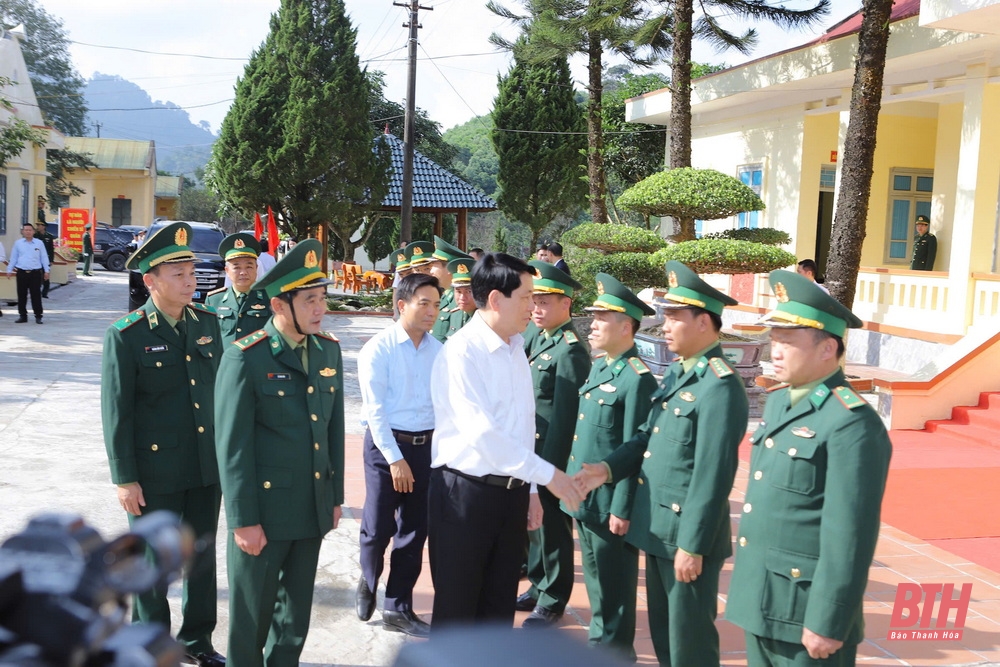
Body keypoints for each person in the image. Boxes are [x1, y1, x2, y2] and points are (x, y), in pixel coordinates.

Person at [576, 260, 748, 667]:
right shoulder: (678, 375)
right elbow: (644, 440)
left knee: (689, 644)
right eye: (665, 316)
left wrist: (693, 544)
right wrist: (607, 469)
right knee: (665, 637)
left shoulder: (720, 386)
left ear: (704, 322)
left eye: (674, 317)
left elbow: (712, 476)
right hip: (656, 527)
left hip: (685, 537)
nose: (664, 326)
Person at [726, 269, 892, 666]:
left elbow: (849, 535)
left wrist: (829, 618)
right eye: (774, 339)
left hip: (806, 610)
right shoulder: (783, 402)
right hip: (762, 595)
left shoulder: (851, 422)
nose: (774, 350)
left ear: (826, 349)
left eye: (787, 340)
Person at [427, 252, 586, 629]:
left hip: (511, 494)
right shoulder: (461, 353)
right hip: (466, 495)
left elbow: (522, 424)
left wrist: (530, 490)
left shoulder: (516, 346)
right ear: (497, 299)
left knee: (497, 609)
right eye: (527, 296)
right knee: (459, 612)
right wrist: (549, 476)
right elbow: (483, 434)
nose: (533, 306)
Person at [214, 239, 344, 667]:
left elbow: (333, 431)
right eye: (309, 300)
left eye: (322, 298)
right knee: (252, 617)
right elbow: (232, 447)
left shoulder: (328, 350)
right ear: (278, 305)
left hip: (310, 506)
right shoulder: (244, 357)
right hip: (264, 513)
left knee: (295, 618)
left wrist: (335, 496)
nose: (319, 308)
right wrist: (243, 519)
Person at [101, 222, 224, 667]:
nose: (190, 280)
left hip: (205, 468)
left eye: (192, 271)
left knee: (202, 561)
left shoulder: (210, 324)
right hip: (153, 475)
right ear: (150, 280)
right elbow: (117, 412)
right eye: (179, 273)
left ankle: (197, 641)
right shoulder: (127, 335)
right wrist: (124, 478)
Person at [562, 273, 657, 659]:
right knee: (598, 582)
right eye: (594, 316)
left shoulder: (637, 379)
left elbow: (636, 448)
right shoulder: (602, 367)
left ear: (626, 326)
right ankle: (599, 647)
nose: (593, 324)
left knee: (615, 587)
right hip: (586, 496)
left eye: (602, 318)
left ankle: (616, 652)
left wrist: (622, 506)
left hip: (609, 502)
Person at [356, 273, 443, 638]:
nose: (432, 312)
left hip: (426, 449)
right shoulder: (379, 348)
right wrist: (395, 459)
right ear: (402, 304)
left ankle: (397, 606)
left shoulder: (441, 350)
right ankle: (368, 578)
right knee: (378, 528)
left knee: (414, 530)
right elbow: (375, 411)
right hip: (385, 446)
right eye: (424, 303)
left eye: (437, 304)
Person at [516, 260, 592, 628]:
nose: (537, 309)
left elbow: (566, 417)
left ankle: (554, 597)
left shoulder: (571, 349)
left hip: (551, 453)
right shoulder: (538, 337)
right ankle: (537, 583)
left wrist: (553, 470)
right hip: (530, 448)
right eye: (535, 301)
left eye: (546, 302)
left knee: (553, 527)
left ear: (567, 304)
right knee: (534, 524)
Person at [206, 233, 272, 346]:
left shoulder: (271, 298)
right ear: (227, 270)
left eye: (249, 266)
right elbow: (208, 338)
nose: (243, 272)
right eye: (236, 267)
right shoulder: (214, 300)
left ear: (256, 268)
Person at [7, 221, 51, 324]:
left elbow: (44, 257)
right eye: (26, 230)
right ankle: (22, 316)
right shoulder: (18, 243)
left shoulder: (39, 243)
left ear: (33, 231)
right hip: (21, 272)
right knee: (21, 295)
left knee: (36, 294)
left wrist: (46, 271)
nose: (28, 232)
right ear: (22, 232)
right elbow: (13, 257)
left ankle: (38, 316)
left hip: (35, 273)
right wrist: (9, 269)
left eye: (30, 230)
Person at [433, 258, 476, 341]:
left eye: (469, 291)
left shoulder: (485, 318)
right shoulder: (456, 314)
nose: (462, 297)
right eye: (458, 291)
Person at [35, 217, 55, 298]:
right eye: (38, 225)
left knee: (46, 276)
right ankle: (37, 291)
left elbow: (51, 249)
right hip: (37, 259)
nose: (38, 227)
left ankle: (45, 293)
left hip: (46, 259)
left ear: (44, 226)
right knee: (37, 276)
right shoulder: (35, 236)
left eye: (40, 225)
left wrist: (51, 260)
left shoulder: (49, 236)